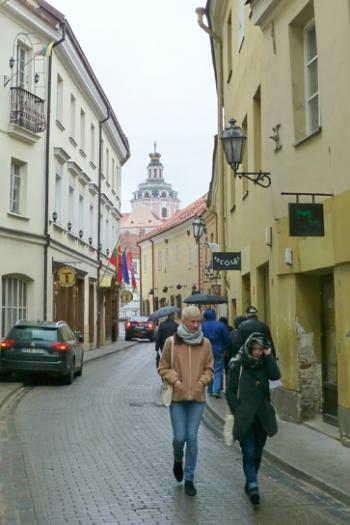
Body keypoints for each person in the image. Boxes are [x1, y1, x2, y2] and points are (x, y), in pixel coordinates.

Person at [158, 306, 214, 497]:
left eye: (199, 321)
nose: (196, 325)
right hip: (178, 398)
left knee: (192, 437)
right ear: (184, 322)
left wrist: (201, 382)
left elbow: (210, 369)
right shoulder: (171, 343)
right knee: (179, 438)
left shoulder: (205, 343)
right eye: (193, 321)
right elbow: (162, 367)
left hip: (197, 398)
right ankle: (177, 459)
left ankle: (189, 479)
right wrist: (176, 381)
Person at [226, 332, 281, 505]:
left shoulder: (265, 364)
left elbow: (275, 376)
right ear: (249, 348)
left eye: (260, 349)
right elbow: (230, 391)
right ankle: (253, 485)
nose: (257, 352)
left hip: (262, 416)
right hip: (245, 417)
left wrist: (269, 356)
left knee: (257, 453)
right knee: (248, 452)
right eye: (255, 349)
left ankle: (251, 480)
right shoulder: (238, 364)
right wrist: (237, 410)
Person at [201, 308, 230, 398]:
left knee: (208, 370)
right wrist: (226, 348)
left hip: (206, 351)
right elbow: (227, 338)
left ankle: (209, 390)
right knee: (218, 370)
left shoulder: (201, 326)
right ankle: (215, 390)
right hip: (218, 350)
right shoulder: (220, 325)